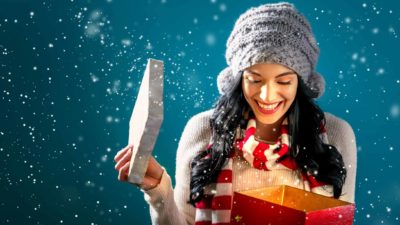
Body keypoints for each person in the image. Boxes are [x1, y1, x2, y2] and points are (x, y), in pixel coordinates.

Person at [114, 2, 357, 225]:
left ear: (301, 83)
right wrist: (158, 189)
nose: (267, 96)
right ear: (238, 80)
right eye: (254, 80)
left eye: (283, 82)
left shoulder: (335, 135)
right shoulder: (203, 130)